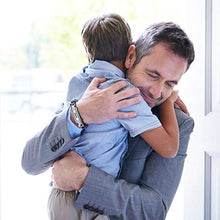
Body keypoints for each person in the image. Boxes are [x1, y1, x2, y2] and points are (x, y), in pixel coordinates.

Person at [22, 17, 195, 220]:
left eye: (170, 84)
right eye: (153, 75)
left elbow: (154, 209)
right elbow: (30, 162)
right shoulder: (89, 89)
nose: (157, 92)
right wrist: (79, 114)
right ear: (131, 56)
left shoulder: (179, 124)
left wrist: (83, 179)